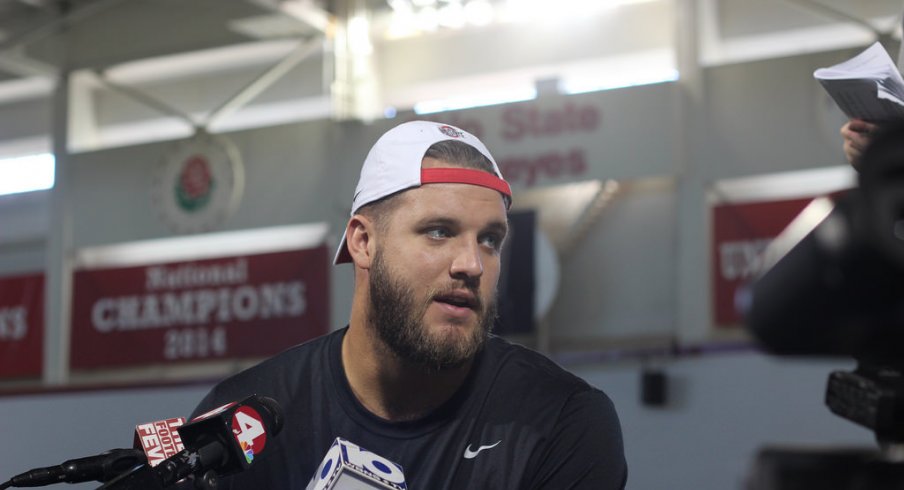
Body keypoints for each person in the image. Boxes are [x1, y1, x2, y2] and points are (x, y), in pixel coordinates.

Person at [187, 120, 627, 489]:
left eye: (490, 240)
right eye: (438, 231)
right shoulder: (245, 424)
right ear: (363, 241)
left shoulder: (561, 421)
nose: (472, 264)